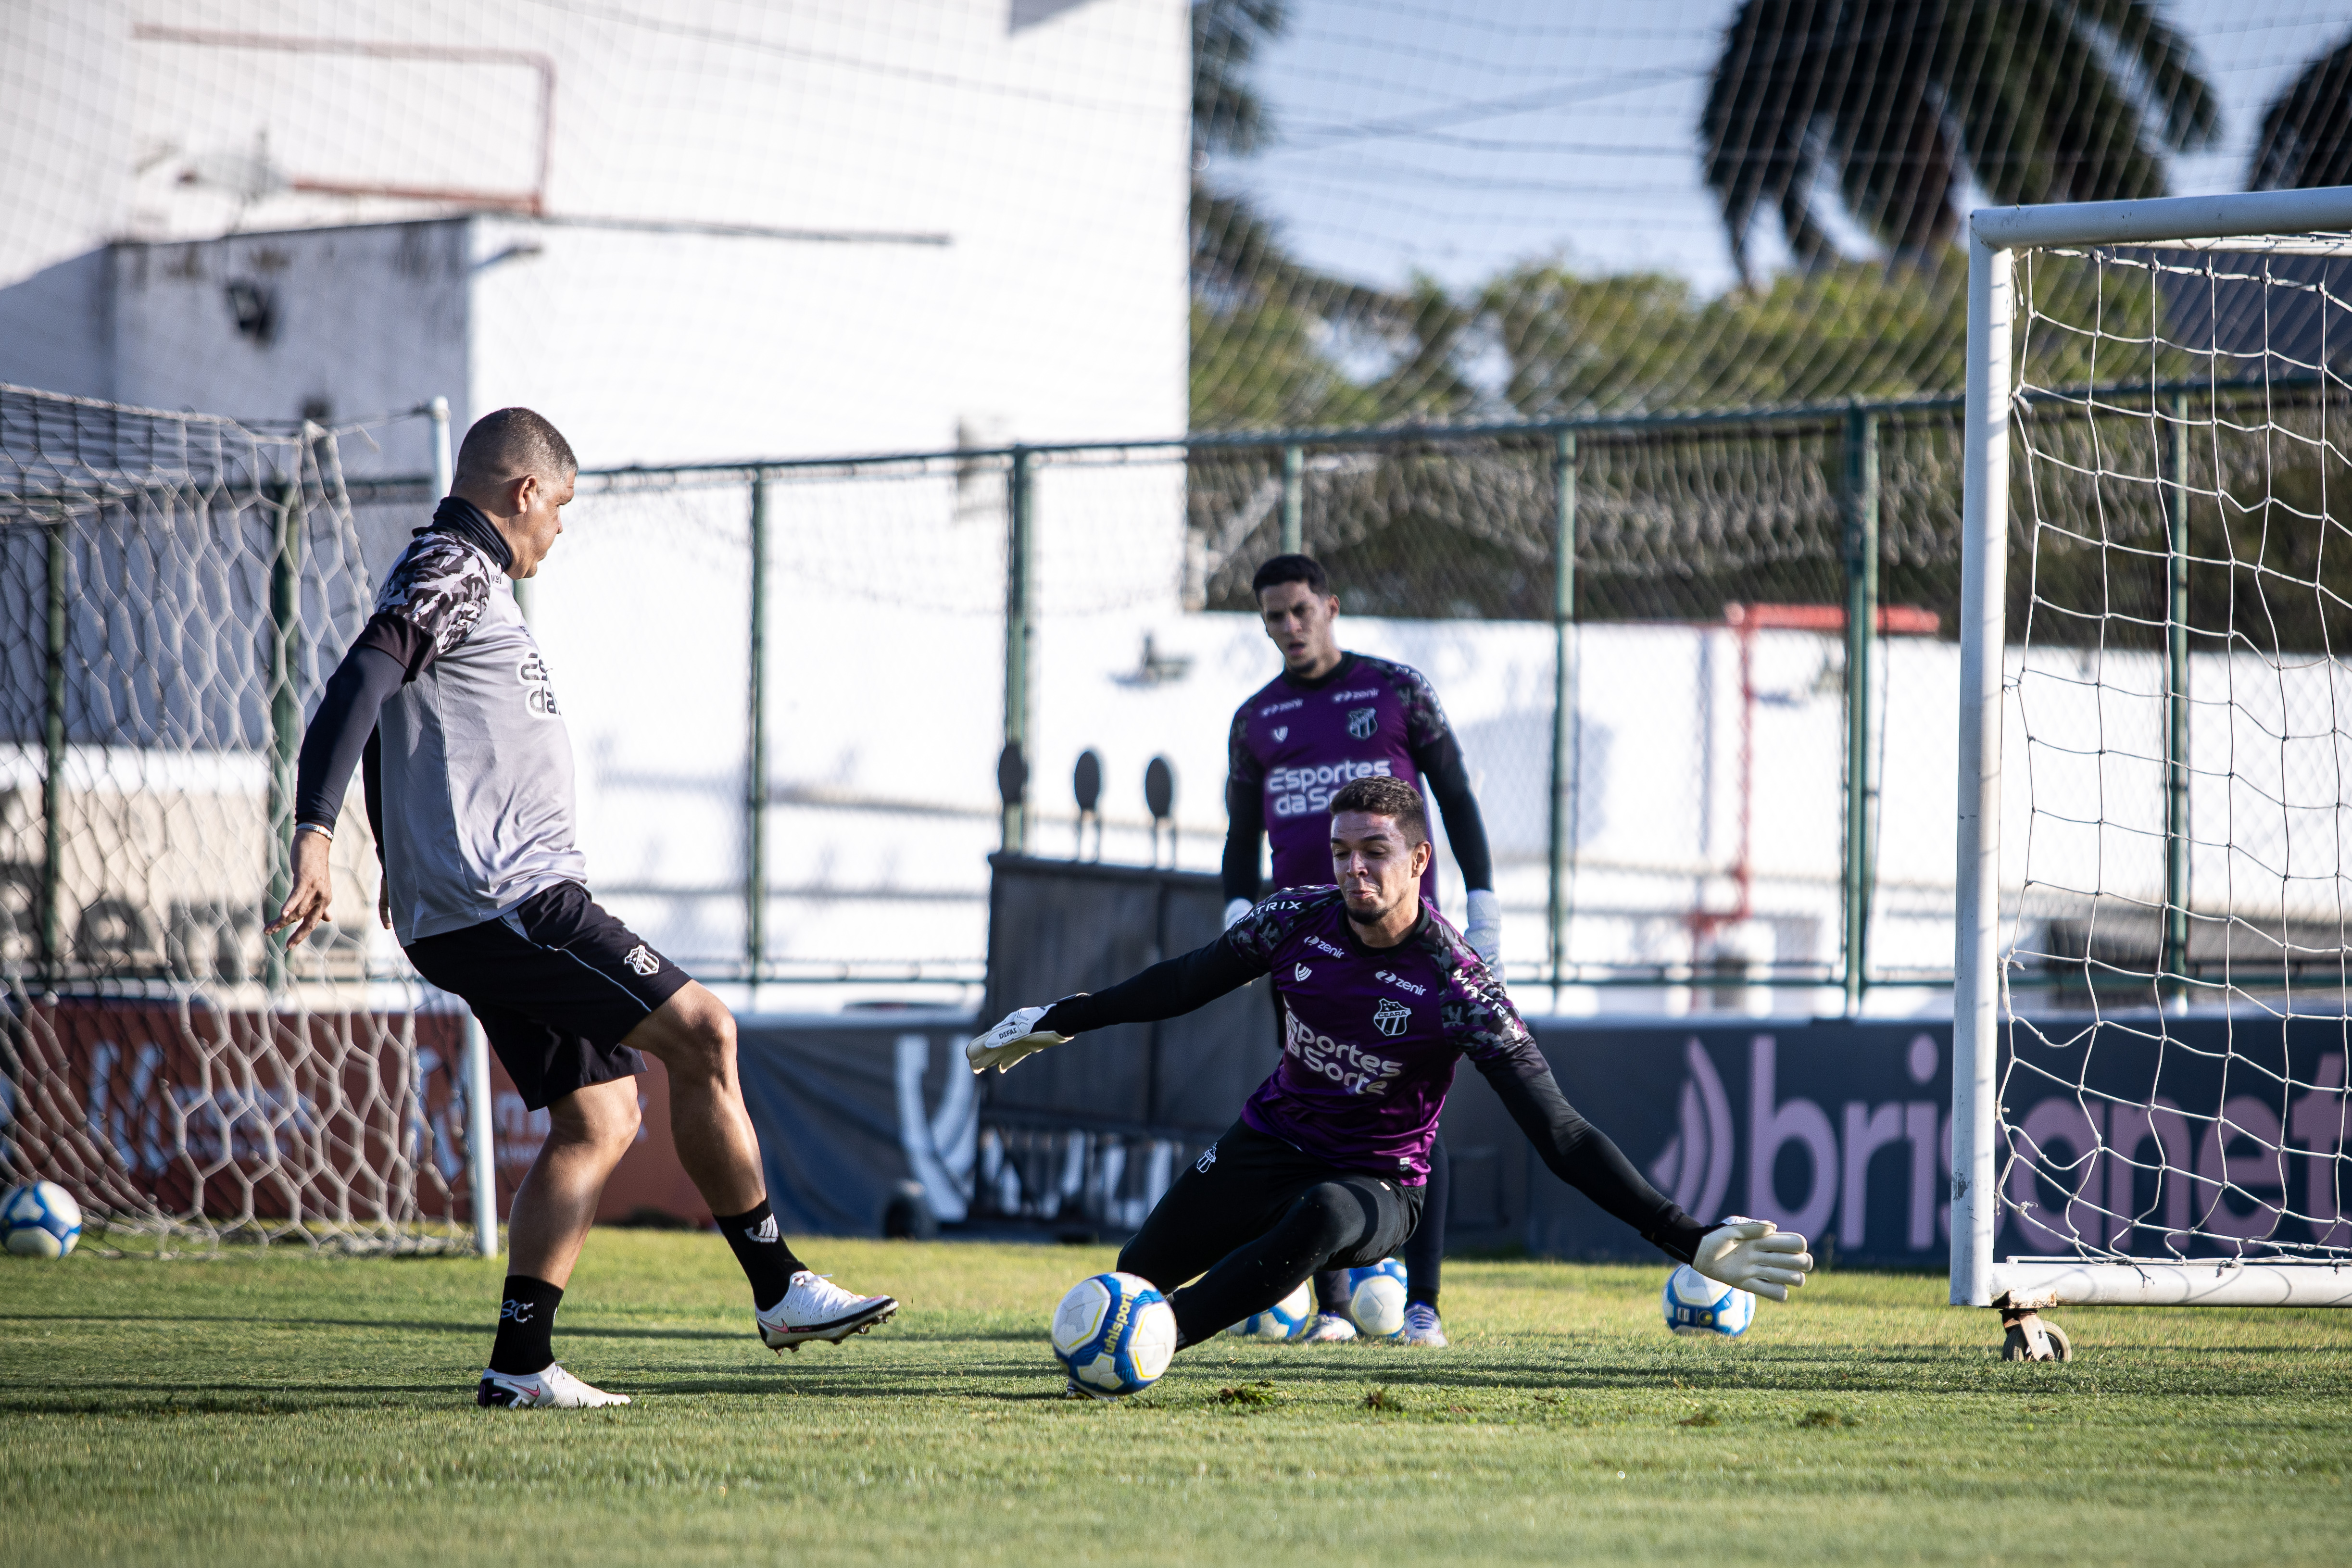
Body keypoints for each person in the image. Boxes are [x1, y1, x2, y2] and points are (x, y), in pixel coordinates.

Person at [266, 407, 898, 1409]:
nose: (559, 529)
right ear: (523, 492)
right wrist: (317, 829)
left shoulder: (447, 572)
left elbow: (396, 709)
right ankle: (779, 1286)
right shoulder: (458, 566)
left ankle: (520, 1363)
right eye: (560, 506)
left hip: (478, 904)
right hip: (512, 899)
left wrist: (393, 846)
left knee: (599, 1116)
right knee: (705, 1031)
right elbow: (363, 678)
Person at [972, 775, 1810, 1385]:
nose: (1354, 870)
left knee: (1323, 1215)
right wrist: (1062, 1016)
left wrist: (1687, 1234)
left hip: (1377, 1182)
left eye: (1375, 852)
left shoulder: (1459, 983)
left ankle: (1159, 1342)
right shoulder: (1295, 919)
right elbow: (1180, 983)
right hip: (1268, 1139)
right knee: (1135, 1267)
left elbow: (1563, 1134)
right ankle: (1145, 1320)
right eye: (1341, 852)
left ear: (1419, 860)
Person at [1221, 553, 1497, 1347]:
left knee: (1420, 1118)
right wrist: (1240, 920)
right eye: (1274, 617)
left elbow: (1458, 799)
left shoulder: (1398, 691)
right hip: (1305, 951)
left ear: (1330, 606)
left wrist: (1485, 906)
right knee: (1314, 1114)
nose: (1289, 628)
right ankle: (1334, 1310)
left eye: (1301, 610)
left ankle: (1424, 1305)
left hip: (1413, 946)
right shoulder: (1255, 721)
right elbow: (1242, 839)